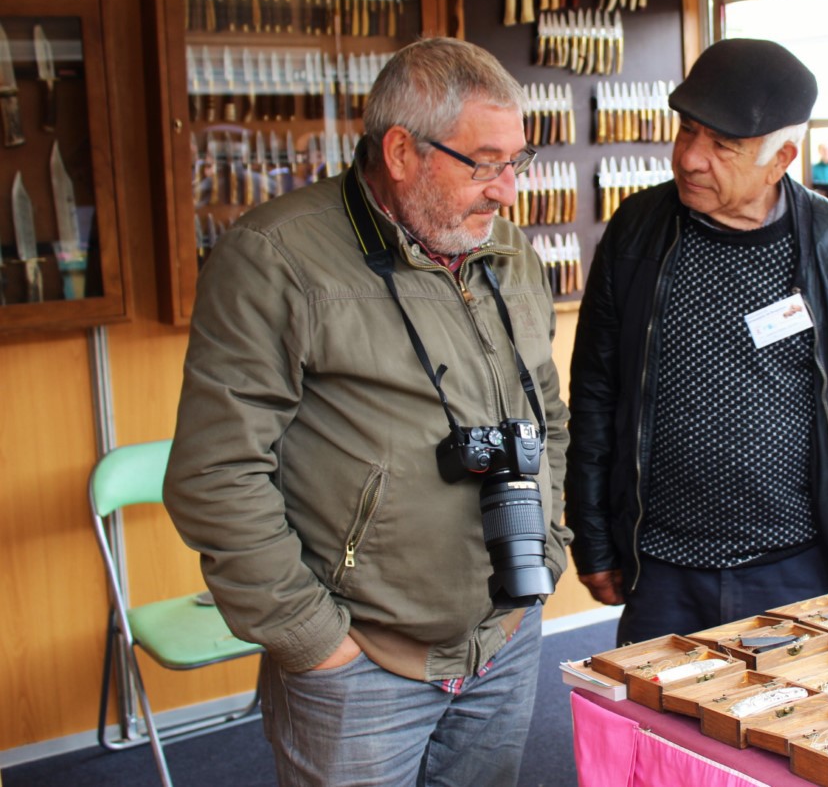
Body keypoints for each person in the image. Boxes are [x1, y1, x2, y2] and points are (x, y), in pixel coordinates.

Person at [162, 38, 570, 786]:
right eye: (483, 162)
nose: (507, 189)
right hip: (360, 665)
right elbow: (215, 474)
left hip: (506, 633)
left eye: (519, 159)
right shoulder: (273, 258)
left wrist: (550, 542)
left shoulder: (505, 248)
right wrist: (313, 640)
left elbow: (546, 409)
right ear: (401, 152)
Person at [564, 38, 828, 647]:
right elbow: (595, 394)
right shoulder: (635, 234)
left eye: (723, 145)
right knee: (654, 737)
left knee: (787, 736)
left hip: (798, 570)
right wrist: (592, 535)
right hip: (662, 570)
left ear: (782, 158)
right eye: (687, 130)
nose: (692, 158)